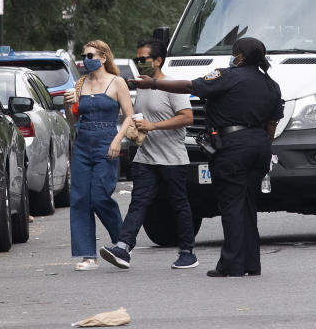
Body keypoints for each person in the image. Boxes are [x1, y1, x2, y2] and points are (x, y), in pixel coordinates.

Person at [131, 36, 282, 277]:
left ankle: (231, 264)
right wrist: (260, 144)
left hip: (234, 147)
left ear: (240, 56)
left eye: (234, 52)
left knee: (231, 205)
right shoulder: (271, 84)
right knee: (248, 205)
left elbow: (191, 87)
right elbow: (272, 124)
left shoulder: (229, 76)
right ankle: (251, 264)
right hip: (260, 147)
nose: (232, 56)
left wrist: (154, 85)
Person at [100, 39, 198, 270]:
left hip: (172, 158)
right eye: (137, 59)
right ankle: (123, 247)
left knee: (179, 204)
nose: (140, 63)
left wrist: (154, 127)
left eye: (143, 59)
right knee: (139, 202)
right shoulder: (141, 87)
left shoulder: (171, 86)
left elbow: (187, 117)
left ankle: (187, 252)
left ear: (158, 61)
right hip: (146, 157)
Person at [64, 40, 134, 271]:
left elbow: (128, 116)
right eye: (84, 55)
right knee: (80, 198)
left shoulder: (117, 82)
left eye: (91, 55)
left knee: (100, 196)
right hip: (83, 143)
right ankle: (87, 256)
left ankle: (123, 241)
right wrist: (68, 107)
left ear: (103, 57)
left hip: (106, 141)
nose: (87, 59)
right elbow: (73, 120)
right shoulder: (80, 83)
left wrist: (117, 140)